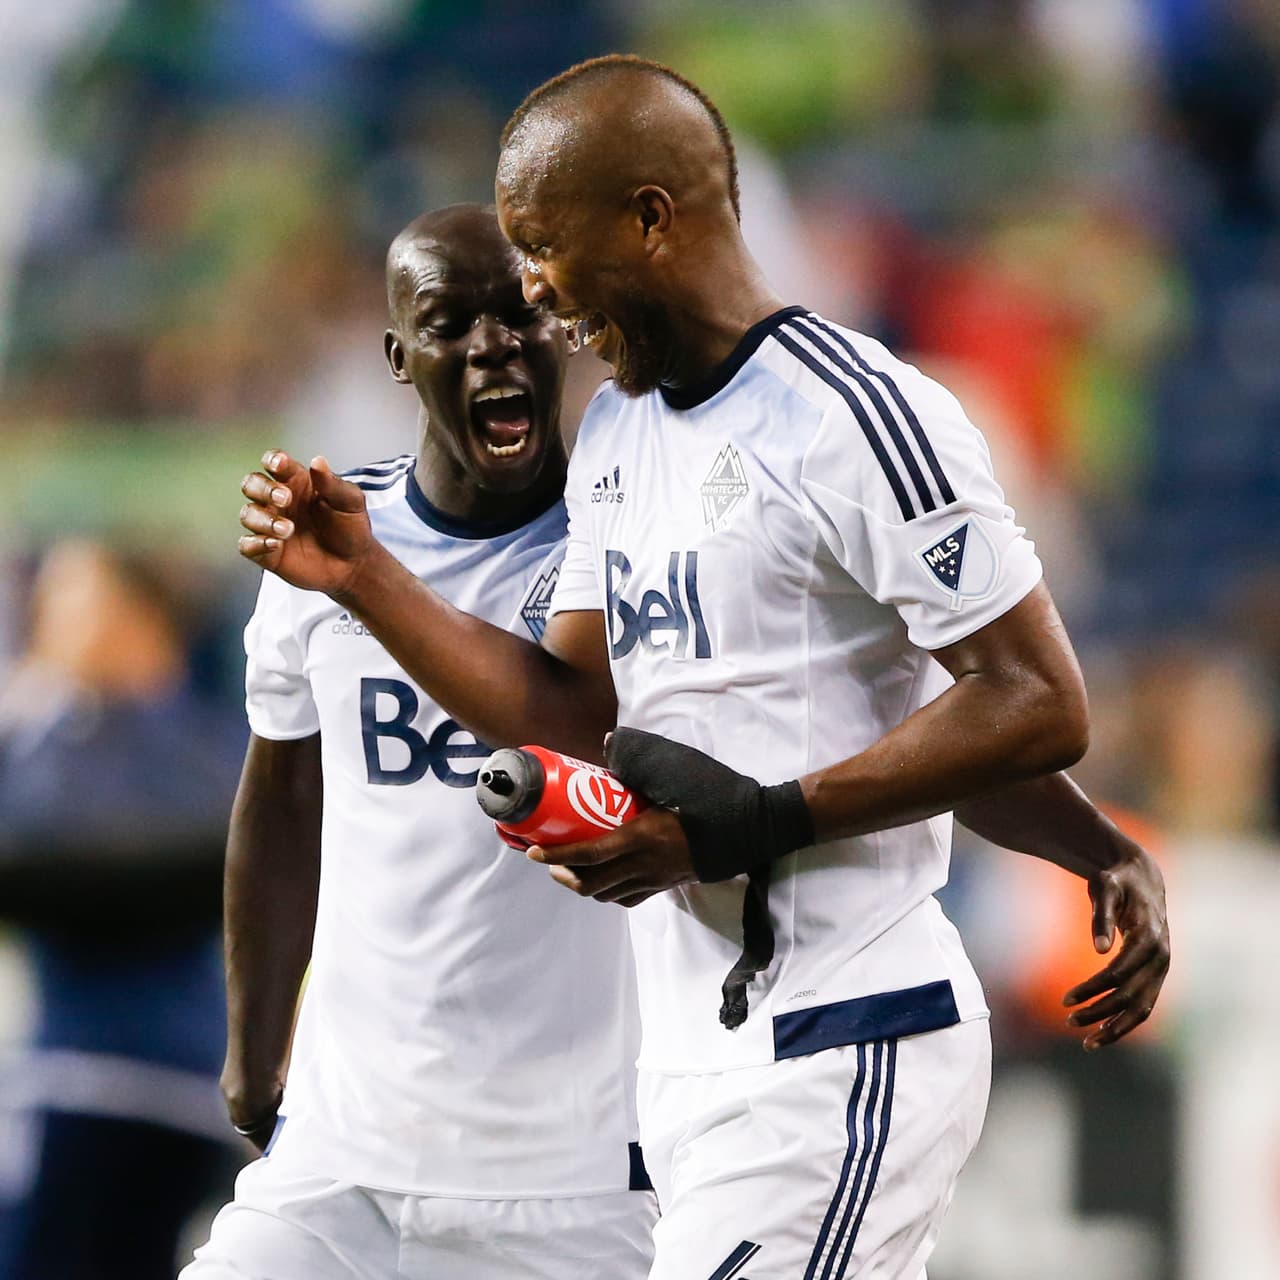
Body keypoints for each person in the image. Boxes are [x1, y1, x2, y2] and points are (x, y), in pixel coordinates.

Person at [236, 56, 1170, 1280]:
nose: (533, 294)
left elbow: (1031, 701)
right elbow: (574, 707)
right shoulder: (622, 429)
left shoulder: (858, 414)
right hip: (688, 1060)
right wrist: (369, 579)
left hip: (844, 1029)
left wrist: (748, 825)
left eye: (540, 247)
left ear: (647, 218)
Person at [183, 205, 656, 1280]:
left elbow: (587, 721)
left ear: (565, 333)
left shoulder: (625, 543)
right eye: (451, 322)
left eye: (521, 314)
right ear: (400, 357)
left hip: (576, 1169)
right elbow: (283, 792)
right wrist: (255, 1054)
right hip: (346, 1149)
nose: (493, 344)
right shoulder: (325, 538)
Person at [0, 540, 242, 1280]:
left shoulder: (201, 744)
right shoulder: (44, 735)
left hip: (175, 1085)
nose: (53, 621)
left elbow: (173, 871)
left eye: (78, 600)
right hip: (71, 1072)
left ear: (144, 619)